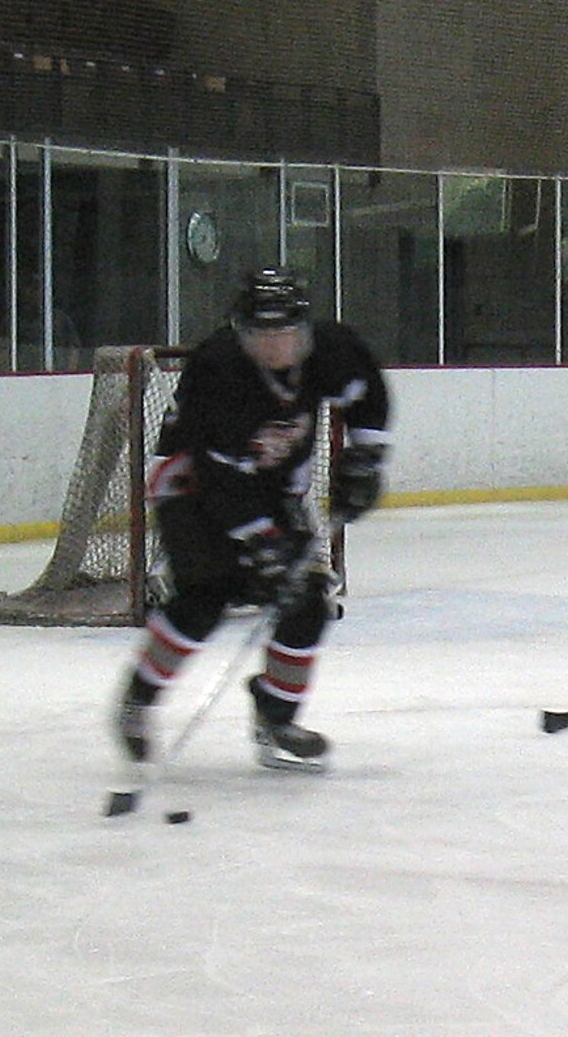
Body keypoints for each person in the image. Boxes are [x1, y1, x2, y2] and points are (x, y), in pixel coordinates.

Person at [112, 266, 391, 774]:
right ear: (242, 334)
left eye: (287, 333)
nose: (278, 346)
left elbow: (368, 394)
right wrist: (261, 543)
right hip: (193, 484)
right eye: (264, 335)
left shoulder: (330, 348)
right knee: (205, 597)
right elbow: (222, 480)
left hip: (272, 483)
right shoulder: (217, 370)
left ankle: (275, 717)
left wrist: (367, 456)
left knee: (305, 602)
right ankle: (137, 702)